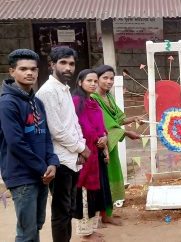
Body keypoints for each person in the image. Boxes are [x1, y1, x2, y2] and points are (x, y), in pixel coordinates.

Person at [0, 49, 59, 241]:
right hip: (22, 175)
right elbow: (16, 143)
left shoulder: (37, 102)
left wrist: (52, 161)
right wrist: (43, 168)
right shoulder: (7, 104)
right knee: (27, 233)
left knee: (36, 225)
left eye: (33, 69)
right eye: (23, 69)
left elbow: (45, 136)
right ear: (11, 72)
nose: (29, 73)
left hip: (41, 174)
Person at [36, 46, 91, 242]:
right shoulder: (48, 91)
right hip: (59, 160)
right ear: (52, 65)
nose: (68, 68)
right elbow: (56, 130)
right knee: (61, 211)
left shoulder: (64, 88)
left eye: (71, 64)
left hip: (72, 158)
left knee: (68, 209)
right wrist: (81, 147)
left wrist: (81, 146)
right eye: (63, 63)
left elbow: (73, 121)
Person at [91, 65, 142, 225]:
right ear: (97, 79)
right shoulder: (94, 98)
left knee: (110, 176)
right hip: (99, 144)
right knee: (102, 178)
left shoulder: (108, 96)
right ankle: (101, 216)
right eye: (105, 78)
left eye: (111, 78)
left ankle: (106, 214)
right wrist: (126, 133)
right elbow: (106, 124)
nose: (109, 81)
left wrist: (133, 119)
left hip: (110, 142)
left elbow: (118, 119)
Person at [73, 69, 113, 241]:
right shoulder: (76, 101)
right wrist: (98, 138)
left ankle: (91, 229)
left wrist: (104, 138)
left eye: (95, 81)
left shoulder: (93, 103)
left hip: (96, 151)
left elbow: (100, 125)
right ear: (80, 82)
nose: (93, 84)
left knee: (95, 192)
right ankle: (85, 234)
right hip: (84, 152)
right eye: (89, 80)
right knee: (85, 193)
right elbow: (81, 125)